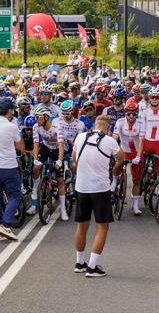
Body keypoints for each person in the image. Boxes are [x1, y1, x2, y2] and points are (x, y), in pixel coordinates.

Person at [71, 115, 124, 278]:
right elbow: (121, 159)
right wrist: (114, 167)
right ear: (107, 128)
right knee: (102, 227)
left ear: (94, 125)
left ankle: (80, 263)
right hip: (100, 188)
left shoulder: (80, 137)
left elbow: (74, 159)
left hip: (81, 187)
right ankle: (93, 267)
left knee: (82, 226)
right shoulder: (109, 141)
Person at [0, 99, 25, 241]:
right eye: (12, 110)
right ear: (8, 111)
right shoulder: (11, 126)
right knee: (15, 195)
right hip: (7, 166)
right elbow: (19, 145)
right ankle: (5, 225)